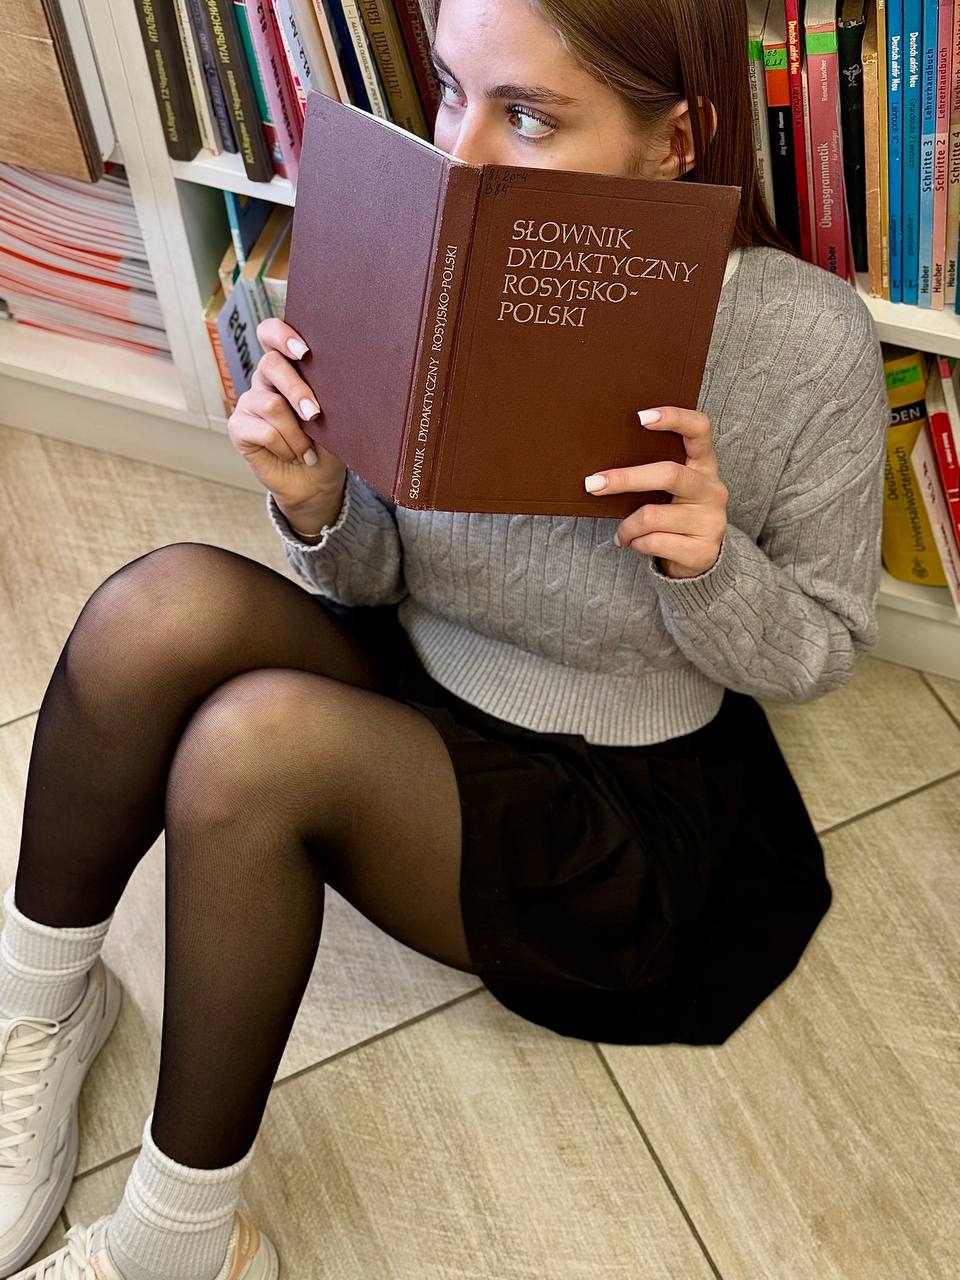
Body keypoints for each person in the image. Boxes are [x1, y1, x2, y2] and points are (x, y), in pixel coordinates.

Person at [0, 0, 890, 1275]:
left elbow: (822, 650)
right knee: (155, 611)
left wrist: (710, 568)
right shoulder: (428, 259)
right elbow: (378, 579)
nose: (461, 156)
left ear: (676, 139)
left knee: (247, 750)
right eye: (452, 91)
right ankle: (39, 1006)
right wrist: (317, 499)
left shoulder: (807, 341)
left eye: (528, 116)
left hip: (612, 790)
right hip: (421, 674)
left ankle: (179, 1237)